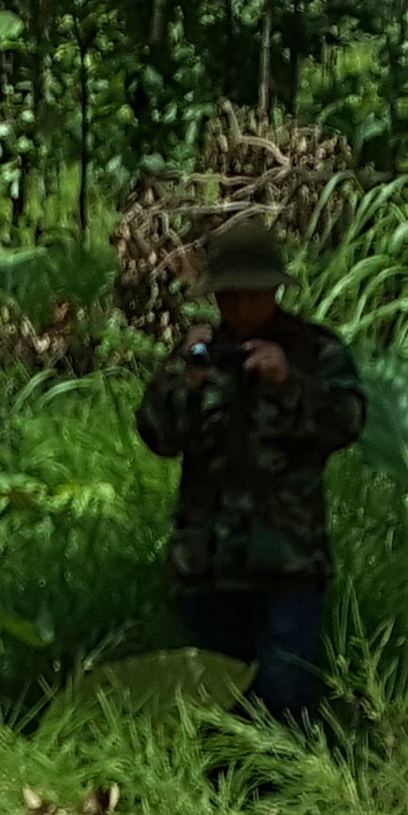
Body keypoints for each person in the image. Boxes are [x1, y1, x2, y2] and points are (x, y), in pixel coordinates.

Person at [132, 217, 366, 731]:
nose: (239, 307)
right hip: (208, 566)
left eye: (251, 293)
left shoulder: (315, 351)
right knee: (213, 706)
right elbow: (157, 436)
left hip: (286, 561)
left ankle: (293, 806)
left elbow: (347, 423)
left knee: (286, 697)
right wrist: (185, 384)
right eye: (228, 295)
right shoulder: (198, 354)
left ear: (273, 289)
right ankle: (219, 802)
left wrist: (288, 384)